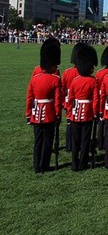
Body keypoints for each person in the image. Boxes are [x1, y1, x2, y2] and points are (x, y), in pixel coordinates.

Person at [26, 40, 63, 173]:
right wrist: (58, 114)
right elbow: (57, 100)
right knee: (47, 141)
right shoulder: (55, 79)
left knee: (37, 141)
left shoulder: (34, 78)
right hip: (49, 113)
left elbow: (30, 97)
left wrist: (28, 114)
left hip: (36, 113)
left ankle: (37, 166)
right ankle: (45, 165)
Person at [67, 44, 99, 171]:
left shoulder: (75, 80)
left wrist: (69, 113)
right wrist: (95, 113)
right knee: (85, 140)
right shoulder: (93, 81)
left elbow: (70, 99)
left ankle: (74, 164)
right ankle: (83, 163)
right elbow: (96, 100)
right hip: (87, 113)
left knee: (75, 141)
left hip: (75, 113)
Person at [61, 42, 87, 152]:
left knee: (70, 122)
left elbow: (62, 88)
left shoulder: (67, 72)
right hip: (79, 100)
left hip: (69, 100)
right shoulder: (83, 73)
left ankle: (69, 144)